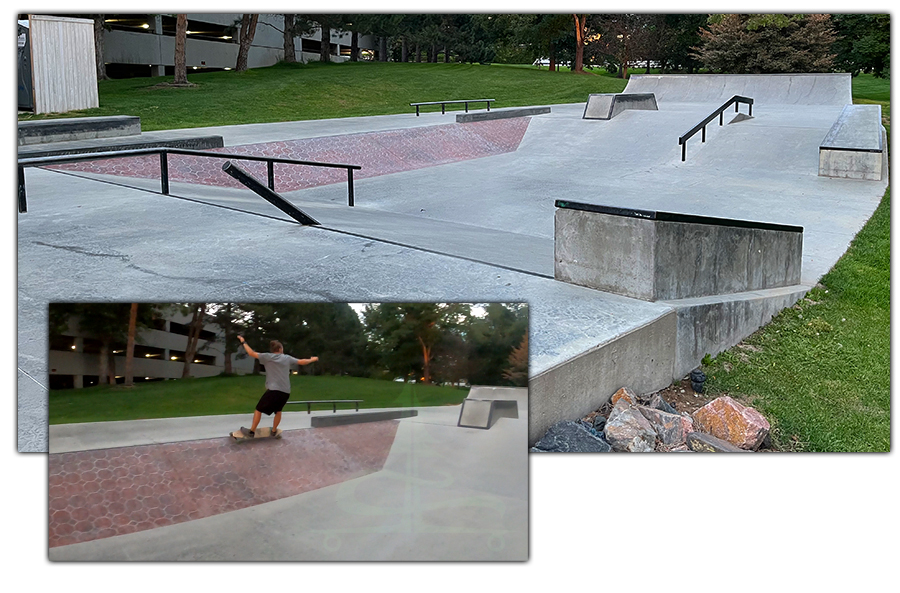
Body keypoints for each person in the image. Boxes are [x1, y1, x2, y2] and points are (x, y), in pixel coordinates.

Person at [237, 335, 318, 437]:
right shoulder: (287, 358)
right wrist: (312, 359)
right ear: (280, 349)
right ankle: (274, 431)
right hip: (286, 391)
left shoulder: (267, 356)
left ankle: (251, 431)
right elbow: (301, 361)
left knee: (258, 409)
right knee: (278, 411)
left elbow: (251, 353)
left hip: (274, 390)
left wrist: (243, 341)